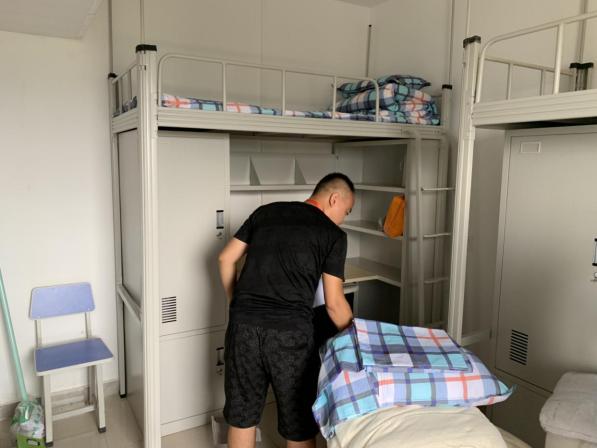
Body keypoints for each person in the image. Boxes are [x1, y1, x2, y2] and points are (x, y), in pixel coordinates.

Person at [218, 172, 355, 448]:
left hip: (243, 329)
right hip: (290, 336)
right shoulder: (333, 235)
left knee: (242, 416)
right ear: (334, 199)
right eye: (347, 211)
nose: (344, 218)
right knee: (298, 424)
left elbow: (225, 258)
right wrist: (357, 337)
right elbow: (334, 304)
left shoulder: (265, 213)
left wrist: (237, 303)